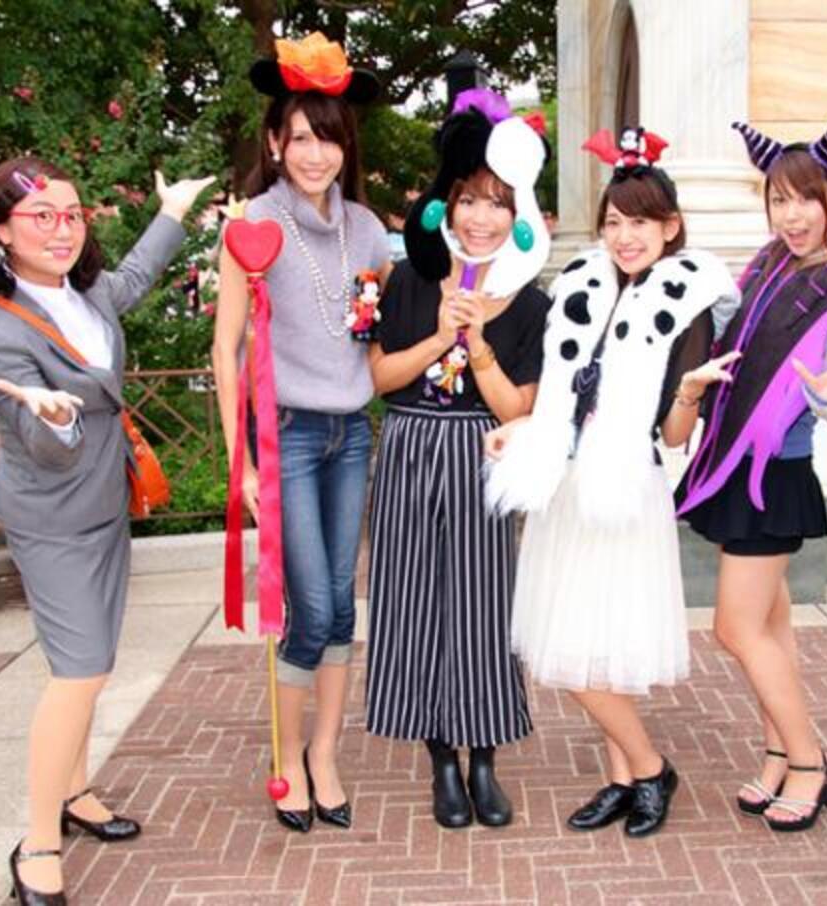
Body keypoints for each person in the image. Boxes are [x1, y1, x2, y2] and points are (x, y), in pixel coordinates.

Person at [0, 157, 212, 903]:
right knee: (81, 671)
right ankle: (38, 843)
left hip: (104, 501)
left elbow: (131, 279)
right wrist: (50, 417)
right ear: (2, 232)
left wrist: (172, 213)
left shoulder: (86, 292)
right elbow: (42, 446)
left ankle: (73, 793)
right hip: (51, 516)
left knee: (86, 661)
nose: (62, 230)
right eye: (42, 217)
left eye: (71, 214)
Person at [484, 127, 739, 838]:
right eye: (615, 223)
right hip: (565, 489)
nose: (625, 237)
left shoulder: (687, 303)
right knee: (581, 644)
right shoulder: (582, 287)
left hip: (623, 488)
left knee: (580, 654)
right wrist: (522, 430)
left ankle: (651, 768)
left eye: (641, 223)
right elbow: (567, 401)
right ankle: (623, 779)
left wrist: (689, 391)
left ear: (671, 227)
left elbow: (674, 436)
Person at [674, 111, 827, 832]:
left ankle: (809, 761)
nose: (792, 215)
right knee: (770, 625)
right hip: (736, 466)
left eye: (806, 199)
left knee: (734, 629)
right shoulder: (769, 266)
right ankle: (778, 751)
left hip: (773, 477)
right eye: (779, 199)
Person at [212, 32, 388, 834]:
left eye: (330, 138)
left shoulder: (369, 230)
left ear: (346, 146)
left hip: (352, 435)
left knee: (343, 609)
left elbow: (378, 328)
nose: (316, 154)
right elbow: (226, 348)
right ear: (275, 143)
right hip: (285, 437)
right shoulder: (253, 225)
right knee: (311, 609)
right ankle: (285, 759)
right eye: (301, 138)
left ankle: (324, 756)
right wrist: (241, 462)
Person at [364, 89, 551, 829]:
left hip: (484, 454)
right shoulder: (411, 280)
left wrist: (476, 348)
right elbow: (381, 380)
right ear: (446, 204)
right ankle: (440, 757)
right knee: (412, 602)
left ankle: (484, 760)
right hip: (411, 448)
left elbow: (518, 409)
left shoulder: (532, 303)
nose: (480, 217)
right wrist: (440, 334)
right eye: (468, 199)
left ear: (518, 214)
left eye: (497, 204)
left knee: (483, 606)